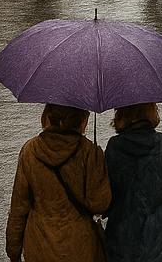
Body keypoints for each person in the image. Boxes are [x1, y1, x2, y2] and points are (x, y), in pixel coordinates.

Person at [6, 104, 111, 262]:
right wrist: (97, 164)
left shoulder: (30, 151)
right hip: (80, 247)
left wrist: (13, 251)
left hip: (39, 246)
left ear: (48, 115)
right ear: (81, 118)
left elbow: (19, 208)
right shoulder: (89, 151)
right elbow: (100, 205)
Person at [103, 104, 162, 258]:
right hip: (160, 233)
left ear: (121, 114)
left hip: (122, 233)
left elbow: (106, 195)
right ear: (152, 112)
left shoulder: (114, 146)